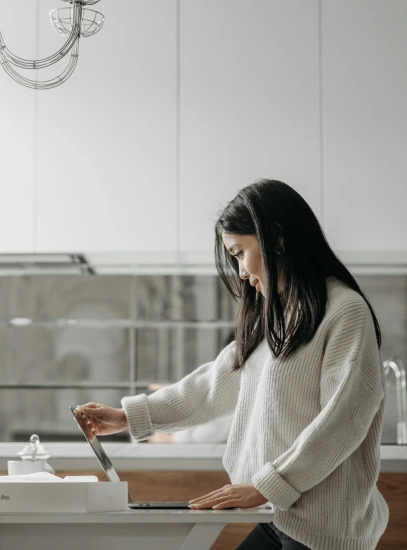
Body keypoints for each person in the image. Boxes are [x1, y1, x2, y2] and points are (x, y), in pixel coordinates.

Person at [75, 179, 389, 550]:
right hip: (277, 515)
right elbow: (211, 386)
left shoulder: (344, 311)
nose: (240, 271)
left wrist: (264, 486)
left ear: (277, 238)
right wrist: (127, 416)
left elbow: (344, 421)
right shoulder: (275, 316)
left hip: (322, 529)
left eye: (240, 252)